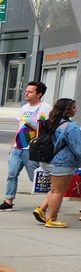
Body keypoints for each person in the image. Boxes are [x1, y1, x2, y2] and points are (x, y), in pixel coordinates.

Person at [0, 81, 52, 211]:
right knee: (12, 174)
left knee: (35, 177)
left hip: (32, 149)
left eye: (30, 92)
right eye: (26, 91)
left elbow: (48, 129)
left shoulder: (46, 108)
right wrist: (13, 145)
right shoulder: (24, 108)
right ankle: (8, 201)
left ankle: (51, 199)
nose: (26, 93)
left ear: (39, 94)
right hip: (18, 148)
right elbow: (19, 128)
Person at [32, 98, 81, 228]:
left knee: (54, 190)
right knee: (58, 192)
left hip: (46, 160)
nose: (75, 110)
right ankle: (52, 219)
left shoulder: (49, 122)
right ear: (67, 110)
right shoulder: (71, 126)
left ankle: (41, 209)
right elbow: (78, 147)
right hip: (62, 163)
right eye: (74, 107)